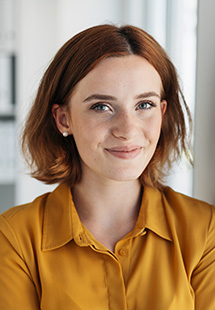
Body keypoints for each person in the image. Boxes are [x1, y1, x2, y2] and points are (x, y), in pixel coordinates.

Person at [0, 24, 214, 310]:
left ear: (162, 114)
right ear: (64, 119)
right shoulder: (14, 237)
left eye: (144, 105)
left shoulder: (205, 230)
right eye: (102, 106)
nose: (127, 130)